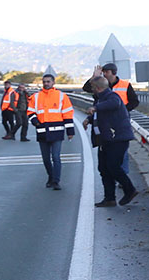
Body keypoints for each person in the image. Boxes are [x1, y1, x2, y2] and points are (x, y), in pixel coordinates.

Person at [84, 76, 139, 207]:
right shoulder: (100, 99)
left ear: (97, 88)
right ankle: (109, 198)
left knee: (113, 167)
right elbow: (102, 115)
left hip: (117, 139)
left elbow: (113, 104)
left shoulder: (112, 96)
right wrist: (88, 119)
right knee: (104, 168)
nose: (91, 90)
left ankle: (129, 190)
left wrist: (96, 108)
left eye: (92, 88)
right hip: (105, 139)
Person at [27, 73, 74, 189]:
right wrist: (35, 121)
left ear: (53, 82)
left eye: (48, 81)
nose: (46, 83)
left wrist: (70, 131)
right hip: (42, 131)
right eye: (44, 82)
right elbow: (30, 112)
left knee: (56, 157)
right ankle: (51, 177)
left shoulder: (61, 96)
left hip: (57, 131)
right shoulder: (36, 97)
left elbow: (67, 114)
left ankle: (56, 181)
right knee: (46, 159)